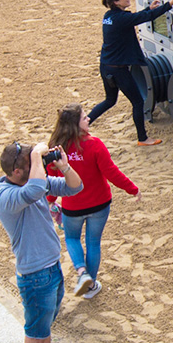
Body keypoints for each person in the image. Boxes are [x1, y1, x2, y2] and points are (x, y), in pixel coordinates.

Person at [0, 139, 83, 343]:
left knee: (44, 329)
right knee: (34, 332)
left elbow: (75, 187)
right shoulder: (5, 195)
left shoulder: (31, 182)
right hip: (34, 275)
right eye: (32, 165)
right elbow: (35, 189)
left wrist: (64, 167)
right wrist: (35, 156)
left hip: (52, 267)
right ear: (18, 172)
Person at [46, 103, 140, 300]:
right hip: (99, 204)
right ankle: (91, 285)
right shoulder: (95, 144)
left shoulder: (56, 149)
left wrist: (50, 201)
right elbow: (111, 172)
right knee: (93, 242)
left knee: (72, 239)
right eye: (84, 117)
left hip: (73, 206)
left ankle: (82, 273)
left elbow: (52, 179)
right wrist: (132, 189)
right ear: (75, 124)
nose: (88, 119)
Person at [88, 0, 173, 146]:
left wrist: (148, 8)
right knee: (138, 102)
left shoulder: (109, 16)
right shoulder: (121, 19)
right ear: (116, 2)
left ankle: (82, 125)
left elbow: (135, 17)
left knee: (110, 100)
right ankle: (143, 138)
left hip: (106, 66)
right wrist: (170, 4)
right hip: (118, 71)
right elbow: (142, 18)